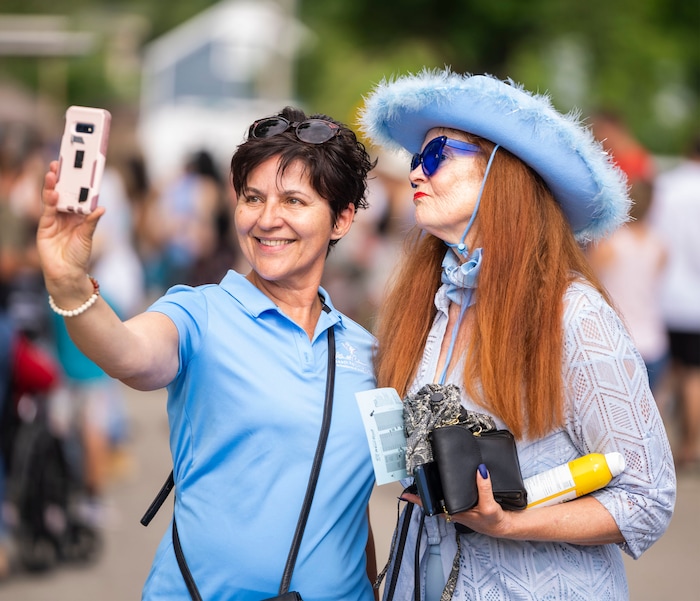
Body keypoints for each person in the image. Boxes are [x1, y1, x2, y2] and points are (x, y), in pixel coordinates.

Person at [36, 106, 378, 600]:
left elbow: (351, 503)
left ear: (341, 218)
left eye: (294, 201)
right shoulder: (200, 313)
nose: (266, 220)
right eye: (253, 198)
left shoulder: (366, 351)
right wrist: (69, 285)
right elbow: (128, 353)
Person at [359, 69, 676, 600]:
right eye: (415, 158)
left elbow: (648, 497)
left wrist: (511, 522)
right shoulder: (435, 304)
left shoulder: (573, 314)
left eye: (436, 155)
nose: (415, 171)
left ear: (500, 173)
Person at [587, 179, 669, 393]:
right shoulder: (659, 246)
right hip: (652, 339)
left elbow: (588, 284)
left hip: (617, 339)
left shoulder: (609, 244)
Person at [648, 134, 700, 470]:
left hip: (663, 296)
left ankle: (654, 445)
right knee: (693, 375)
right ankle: (692, 447)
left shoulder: (666, 185)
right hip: (694, 300)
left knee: (662, 376)